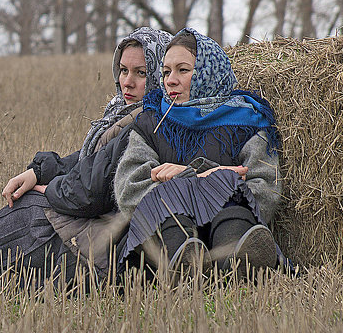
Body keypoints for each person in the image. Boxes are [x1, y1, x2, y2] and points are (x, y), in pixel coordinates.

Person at [0, 27, 172, 292]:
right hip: (93, 226)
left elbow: (91, 192)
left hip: (104, 244)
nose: (128, 81)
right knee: (28, 206)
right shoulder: (122, 113)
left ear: (160, 74)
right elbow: (89, 160)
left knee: (32, 210)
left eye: (141, 73)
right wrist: (39, 172)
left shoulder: (147, 121)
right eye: (124, 70)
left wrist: (48, 188)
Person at [113, 27, 286, 280]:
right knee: (170, 220)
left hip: (229, 224)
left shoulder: (248, 122)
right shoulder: (152, 123)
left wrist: (201, 179)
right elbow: (130, 187)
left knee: (235, 211)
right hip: (168, 230)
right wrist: (198, 183)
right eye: (165, 72)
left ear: (209, 72)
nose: (171, 80)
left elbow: (265, 187)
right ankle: (185, 266)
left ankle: (236, 265)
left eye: (183, 70)